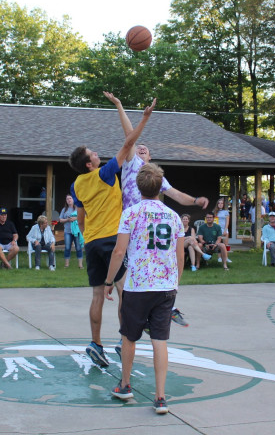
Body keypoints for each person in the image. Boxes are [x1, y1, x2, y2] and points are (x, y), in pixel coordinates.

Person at [105, 91, 208, 327]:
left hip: (147, 228)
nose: (141, 148)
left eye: (145, 148)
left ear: (151, 157)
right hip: (131, 225)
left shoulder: (155, 177)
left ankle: (164, 307)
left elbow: (176, 195)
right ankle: (138, 324)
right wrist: (120, 105)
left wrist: (195, 200)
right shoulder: (132, 163)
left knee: (148, 275)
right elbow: (129, 136)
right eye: (138, 146)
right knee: (128, 286)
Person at [68, 96, 155, 368]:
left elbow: (81, 219)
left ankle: (95, 344)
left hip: (91, 242)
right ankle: (122, 341)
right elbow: (129, 143)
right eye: (92, 153)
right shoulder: (104, 173)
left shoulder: (77, 186)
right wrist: (144, 118)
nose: (96, 153)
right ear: (89, 164)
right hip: (110, 240)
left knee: (96, 295)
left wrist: (86, 235)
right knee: (122, 290)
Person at [104, 163, 184, 415]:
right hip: (165, 286)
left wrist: (109, 282)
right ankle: (160, 397)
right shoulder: (173, 217)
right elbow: (179, 254)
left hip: (138, 285)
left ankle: (125, 384)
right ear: (161, 188)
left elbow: (119, 251)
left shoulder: (130, 213)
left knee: (129, 336)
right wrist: (176, 281)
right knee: (160, 340)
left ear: (138, 188)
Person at [59, 195, 83, 269]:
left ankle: (80, 265)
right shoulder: (64, 209)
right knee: (67, 247)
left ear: (73, 199)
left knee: (78, 248)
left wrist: (75, 218)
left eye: (70, 198)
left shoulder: (78, 208)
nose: (69, 200)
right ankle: (66, 264)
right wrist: (67, 220)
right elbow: (60, 220)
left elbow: (83, 217)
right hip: (67, 231)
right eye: (67, 199)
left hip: (77, 231)